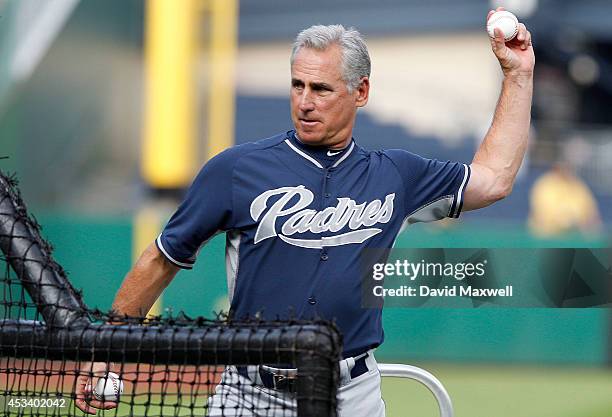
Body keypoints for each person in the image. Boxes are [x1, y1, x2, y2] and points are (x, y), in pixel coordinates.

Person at [75, 8, 534, 416]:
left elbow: (494, 179)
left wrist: (518, 75)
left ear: (361, 91)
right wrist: (106, 352)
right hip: (250, 394)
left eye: (321, 88)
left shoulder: (396, 174)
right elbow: (160, 259)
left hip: (351, 392)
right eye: (297, 85)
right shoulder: (237, 169)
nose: (305, 101)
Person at [528, 161, 601, 237]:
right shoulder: (545, 184)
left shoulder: (578, 185)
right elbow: (543, 216)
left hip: (575, 238)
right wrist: (567, 221)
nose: (567, 171)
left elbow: (592, 215)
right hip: (547, 238)